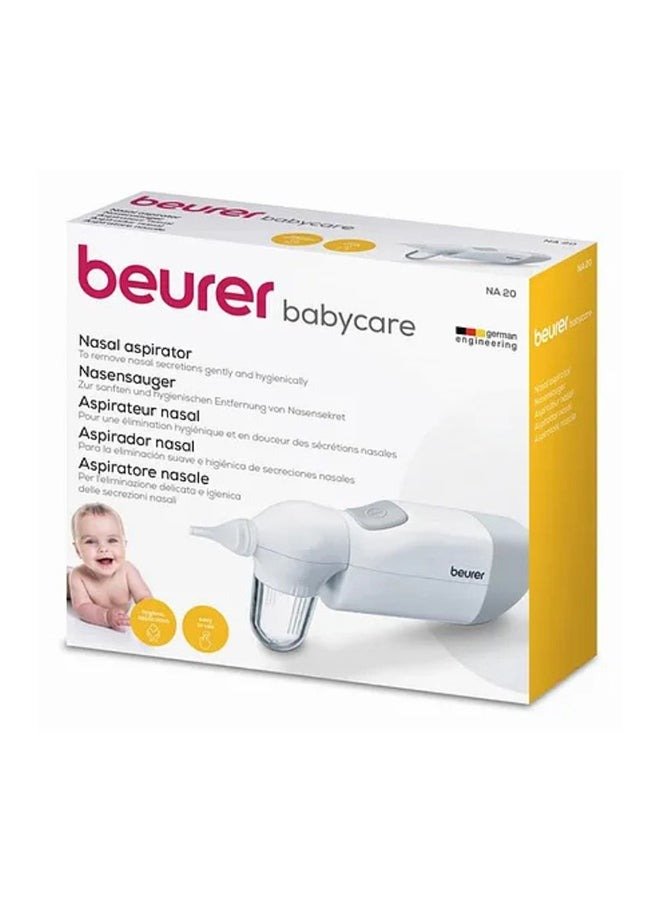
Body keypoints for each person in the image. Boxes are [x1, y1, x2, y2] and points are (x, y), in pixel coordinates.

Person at [68, 502, 151, 631]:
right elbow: (81, 606)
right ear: (77, 550)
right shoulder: (78, 576)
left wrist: (148, 612)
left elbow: (144, 597)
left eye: (112, 540)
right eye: (90, 541)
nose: (103, 549)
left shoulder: (128, 570)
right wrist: (105, 616)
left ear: (124, 544)